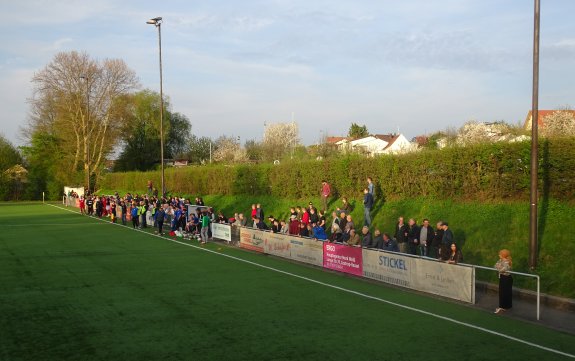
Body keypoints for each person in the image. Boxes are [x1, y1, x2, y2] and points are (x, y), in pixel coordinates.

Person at [495, 249, 513, 314]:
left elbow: (504, 269)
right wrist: (499, 268)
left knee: (504, 292)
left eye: (500, 254)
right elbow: (496, 266)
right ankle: (504, 306)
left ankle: (503, 307)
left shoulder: (506, 262)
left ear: (503, 255)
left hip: (506, 278)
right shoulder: (500, 260)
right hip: (502, 277)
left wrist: (499, 268)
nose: (499, 255)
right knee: (503, 292)